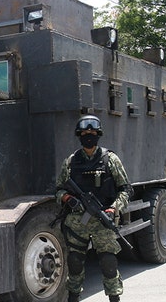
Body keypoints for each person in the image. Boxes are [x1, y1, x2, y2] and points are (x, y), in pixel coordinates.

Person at [55, 115, 131, 302]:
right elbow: (58, 190)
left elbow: (126, 189)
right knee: (74, 262)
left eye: (92, 132)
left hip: (102, 219)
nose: (89, 135)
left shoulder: (110, 159)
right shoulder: (70, 162)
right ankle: (73, 297)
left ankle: (114, 298)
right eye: (85, 133)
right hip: (77, 222)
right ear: (79, 135)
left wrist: (114, 209)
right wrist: (67, 198)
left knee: (108, 262)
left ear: (98, 134)